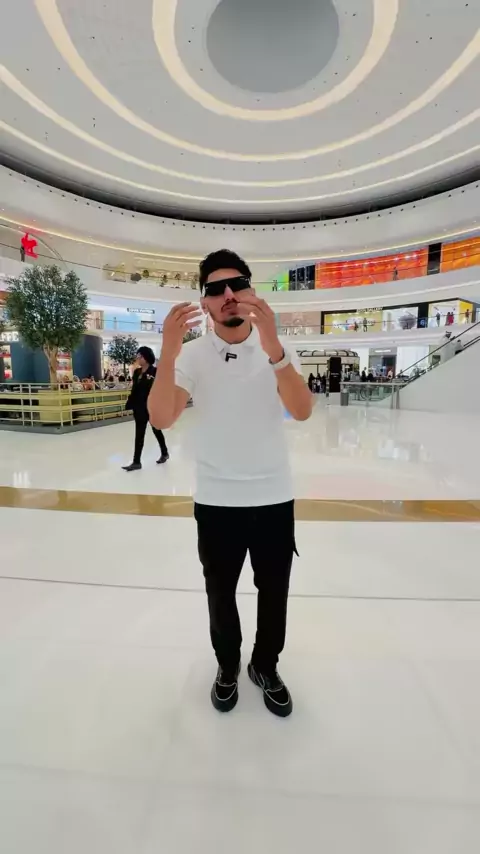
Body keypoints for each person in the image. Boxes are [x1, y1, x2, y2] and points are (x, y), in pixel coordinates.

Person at [148, 249, 312, 718]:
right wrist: (168, 351)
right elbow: (161, 417)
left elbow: (301, 410)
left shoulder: (274, 347)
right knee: (219, 594)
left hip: (273, 496)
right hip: (217, 500)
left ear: (251, 291)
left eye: (237, 284)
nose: (228, 295)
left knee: (274, 592)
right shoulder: (193, 355)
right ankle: (227, 666)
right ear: (204, 302)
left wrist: (274, 347)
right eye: (216, 289)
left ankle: (265, 666)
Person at [123, 346, 169, 471]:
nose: (138, 358)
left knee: (156, 430)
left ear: (146, 357)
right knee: (139, 434)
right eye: (137, 356)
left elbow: (161, 390)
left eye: (140, 356)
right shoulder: (137, 372)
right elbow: (134, 389)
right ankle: (136, 462)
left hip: (152, 407)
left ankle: (164, 453)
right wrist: (130, 403)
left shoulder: (155, 372)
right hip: (139, 407)